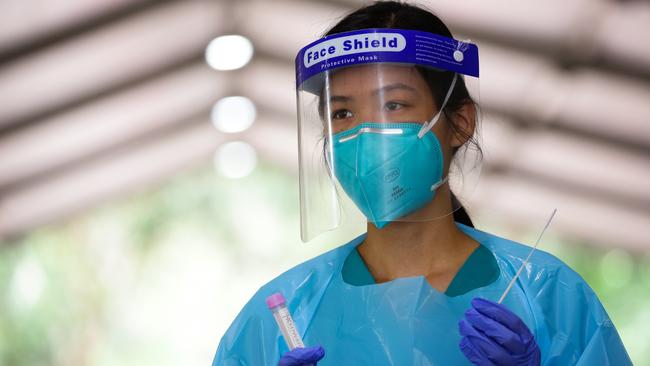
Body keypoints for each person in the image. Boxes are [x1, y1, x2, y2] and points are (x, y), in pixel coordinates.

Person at [212, 2, 632, 365]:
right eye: (341, 114)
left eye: (393, 105)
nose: (364, 135)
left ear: (460, 123)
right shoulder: (280, 315)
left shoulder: (548, 297)